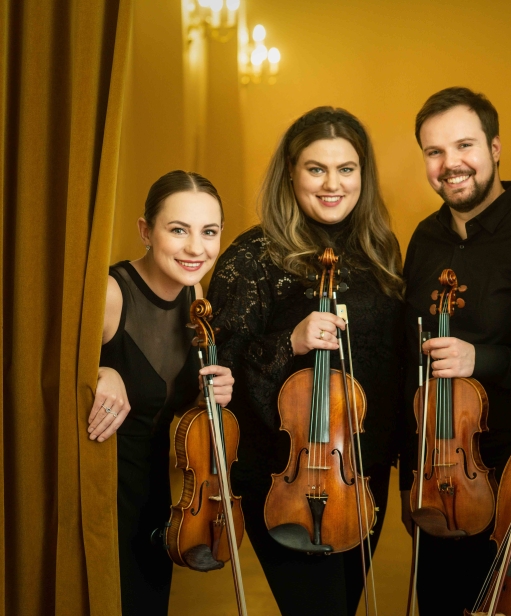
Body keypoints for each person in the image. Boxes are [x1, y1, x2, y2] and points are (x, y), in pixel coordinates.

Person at [207, 107, 405, 616]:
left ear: (364, 174)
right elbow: (216, 367)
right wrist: (289, 342)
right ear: (291, 173)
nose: (332, 184)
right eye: (316, 168)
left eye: (346, 169)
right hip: (287, 478)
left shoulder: (379, 252)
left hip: (361, 472)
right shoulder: (253, 255)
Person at [400, 86, 511, 614]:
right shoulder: (424, 239)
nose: (451, 164)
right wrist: (412, 471)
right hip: (437, 478)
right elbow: (411, 366)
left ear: (495, 148)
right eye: (434, 152)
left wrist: (483, 358)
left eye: (465, 145)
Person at [89, 170, 234, 616]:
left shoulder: (195, 292)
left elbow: (170, 402)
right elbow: (39, 369)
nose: (196, 248)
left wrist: (211, 391)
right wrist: (92, 371)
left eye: (208, 232)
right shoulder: (111, 294)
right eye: (178, 230)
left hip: (158, 503)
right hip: (103, 495)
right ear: (145, 231)